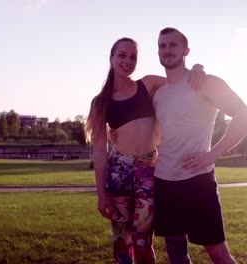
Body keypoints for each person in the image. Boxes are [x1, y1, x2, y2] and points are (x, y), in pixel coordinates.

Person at [86, 37, 205, 264]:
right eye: (122, 55)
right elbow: (100, 151)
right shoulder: (101, 102)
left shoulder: (148, 84)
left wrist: (198, 68)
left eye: (133, 57)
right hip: (118, 172)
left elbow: (181, 80)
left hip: (149, 170)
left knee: (143, 242)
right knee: (122, 241)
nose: (127, 61)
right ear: (111, 58)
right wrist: (101, 196)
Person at [152, 27, 247, 264]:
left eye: (173, 45)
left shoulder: (207, 83)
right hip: (165, 182)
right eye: (162, 45)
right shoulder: (159, 93)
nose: (167, 50)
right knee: (177, 256)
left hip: (198, 182)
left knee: (219, 255)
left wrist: (213, 154)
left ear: (186, 50)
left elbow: (246, 117)